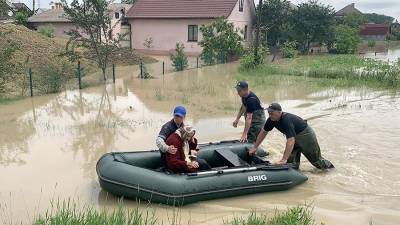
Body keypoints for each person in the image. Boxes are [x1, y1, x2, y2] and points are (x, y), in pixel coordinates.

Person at [249, 103, 334, 170]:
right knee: (291, 163)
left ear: (279, 112)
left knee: (316, 161)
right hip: (294, 138)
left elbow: (290, 140)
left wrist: (283, 159)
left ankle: (332, 170)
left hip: (306, 136)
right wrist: (255, 147)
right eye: (269, 113)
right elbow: (263, 132)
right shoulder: (271, 120)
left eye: (272, 113)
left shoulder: (286, 120)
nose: (270, 115)